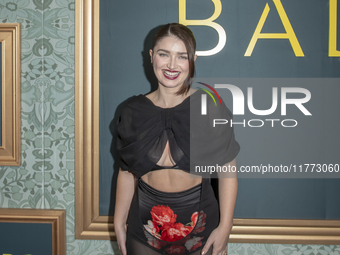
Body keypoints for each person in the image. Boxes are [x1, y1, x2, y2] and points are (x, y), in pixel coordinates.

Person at [114, 23, 240, 255]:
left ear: (191, 61)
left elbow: (228, 170)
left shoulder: (209, 107)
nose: (172, 65)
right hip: (143, 232)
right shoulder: (132, 110)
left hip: (201, 230)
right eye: (164, 54)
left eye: (181, 56)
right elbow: (126, 171)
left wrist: (226, 227)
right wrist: (119, 222)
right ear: (152, 56)